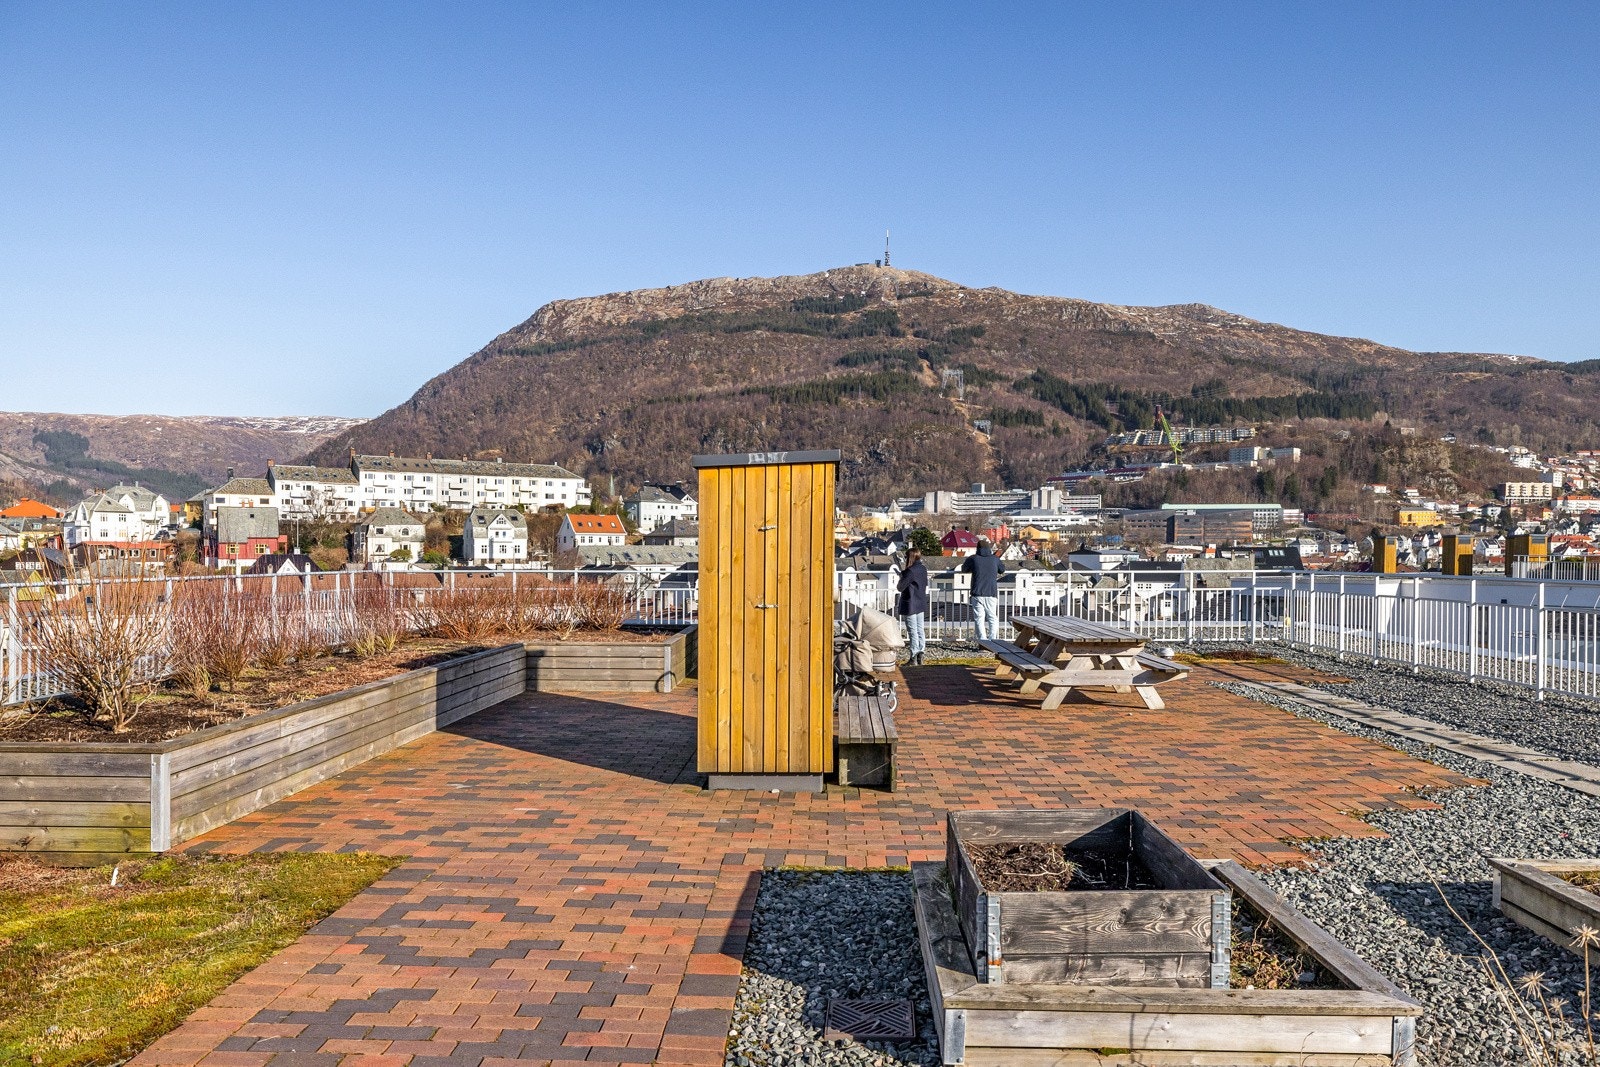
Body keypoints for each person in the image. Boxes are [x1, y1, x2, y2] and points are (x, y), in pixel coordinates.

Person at [961, 536, 1006, 642]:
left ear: (978, 549)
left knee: (979, 619)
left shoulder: (973, 558)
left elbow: (964, 569)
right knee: (992, 618)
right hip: (991, 592)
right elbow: (1002, 569)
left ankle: (982, 641)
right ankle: (993, 640)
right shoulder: (995, 559)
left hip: (977, 593)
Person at [895, 548, 929, 666]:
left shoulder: (910, 571)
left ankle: (913, 656)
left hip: (910, 603)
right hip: (920, 602)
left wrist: (901, 576)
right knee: (920, 629)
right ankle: (921, 654)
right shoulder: (923, 569)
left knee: (912, 630)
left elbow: (900, 587)